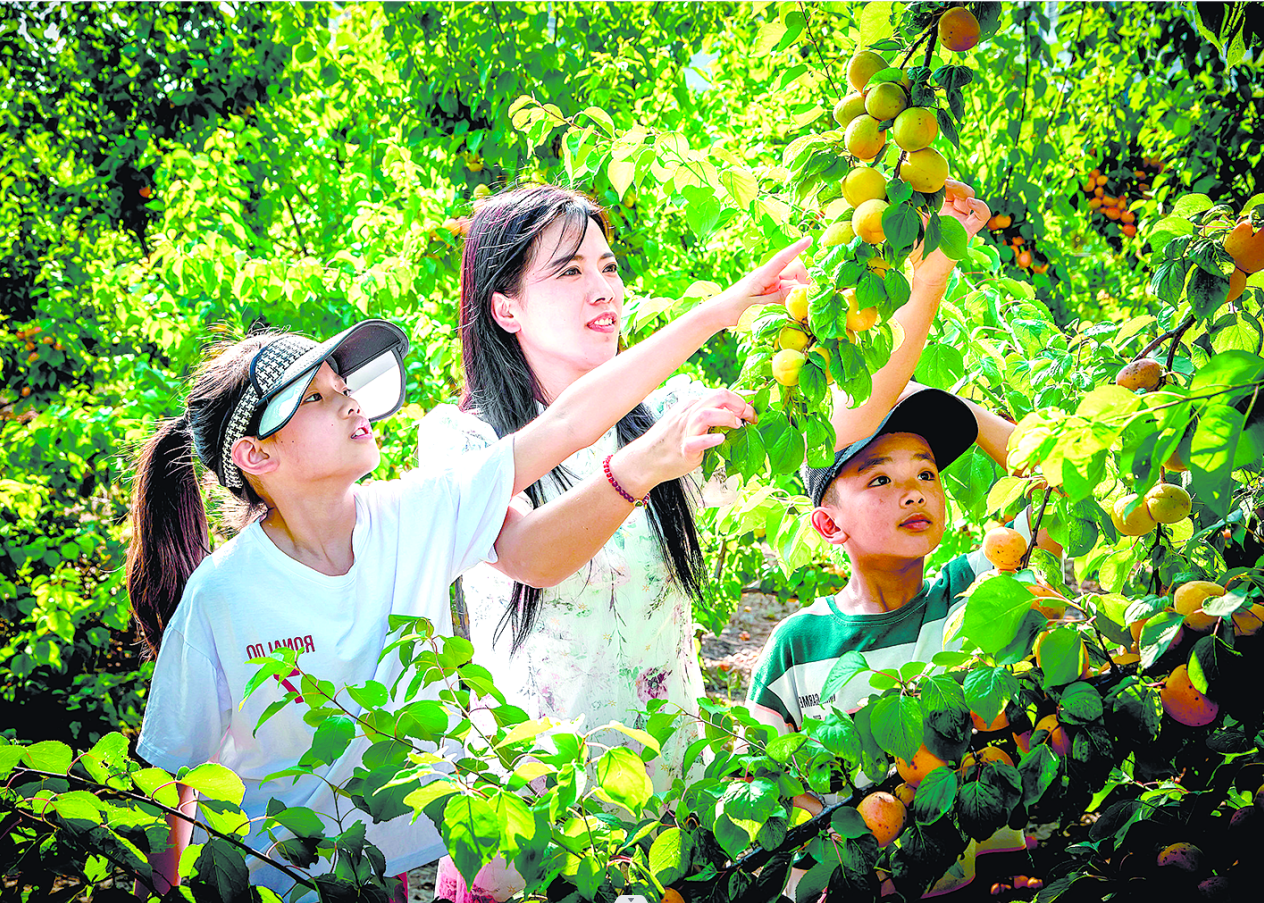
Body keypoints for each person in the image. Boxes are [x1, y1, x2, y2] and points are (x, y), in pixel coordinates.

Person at [127, 227, 805, 900]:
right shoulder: (225, 592)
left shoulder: (414, 516)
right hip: (272, 882)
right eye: (316, 399)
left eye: (344, 386)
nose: (350, 401)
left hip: (394, 873)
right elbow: (172, 775)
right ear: (257, 456)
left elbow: (569, 421)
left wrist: (725, 309)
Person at [419, 183, 987, 902]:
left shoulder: (665, 413)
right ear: (505, 308)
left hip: (672, 818)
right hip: (530, 821)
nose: (602, 289)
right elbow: (530, 554)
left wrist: (930, 266)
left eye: (609, 267)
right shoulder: (463, 438)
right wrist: (644, 465)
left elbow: (846, 422)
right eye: (569, 271)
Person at [744, 186, 1063, 899]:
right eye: (879, 479)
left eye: (926, 470)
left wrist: (935, 400)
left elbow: (1055, 475)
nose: (915, 488)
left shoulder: (972, 587)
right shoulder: (800, 644)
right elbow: (763, 782)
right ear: (829, 524)